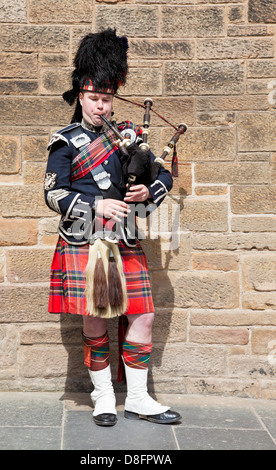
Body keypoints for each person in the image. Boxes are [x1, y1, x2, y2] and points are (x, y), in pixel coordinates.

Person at [44, 29, 181, 427]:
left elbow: (163, 178)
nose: (100, 106)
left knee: (143, 316)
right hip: (84, 240)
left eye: (106, 99)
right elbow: (52, 194)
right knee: (94, 319)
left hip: (124, 239)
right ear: (81, 98)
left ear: (112, 98)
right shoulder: (65, 142)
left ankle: (138, 398)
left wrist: (145, 192)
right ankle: (103, 396)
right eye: (93, 99)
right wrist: (96, 203)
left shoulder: (128, 138)